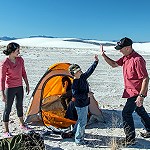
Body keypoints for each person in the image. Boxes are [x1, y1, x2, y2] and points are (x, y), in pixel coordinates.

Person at [101, 37, 150, 145]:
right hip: (130, 91)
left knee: (126, 113)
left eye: (121, 48)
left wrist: (141, 96)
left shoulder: (138, 60)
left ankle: (130, 139)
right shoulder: (125, 58)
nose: (120, 51)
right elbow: (114, 64)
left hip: (137, 92)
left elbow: (146, 78)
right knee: (140, 110)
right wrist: (104, 56)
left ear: (128, 48)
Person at [0, 42, 30, 138]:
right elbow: (2, 79)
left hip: (19, 87)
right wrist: (2, 93)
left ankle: (22, 124)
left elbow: (23, 72)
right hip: (9, 88)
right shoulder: (5, 63)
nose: (19, 52)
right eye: (17, 50)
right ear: (12, 52)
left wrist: (27, 84)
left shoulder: (20, 60)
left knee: (19, 105)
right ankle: (6, 130)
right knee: (7, 108)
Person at [67, 54, 99, 145]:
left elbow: (90, 71)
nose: (80, 71)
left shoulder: (82, 77)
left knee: (81, 120)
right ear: (74, 73)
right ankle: (79, 140)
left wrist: (95, 62)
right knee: (82, 122)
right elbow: (75, 95)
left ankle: (74, 132)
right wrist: (87, 94)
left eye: (80, 69)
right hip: (80, 105)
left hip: (84, 103)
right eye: (78, 71)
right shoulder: (75, 83)